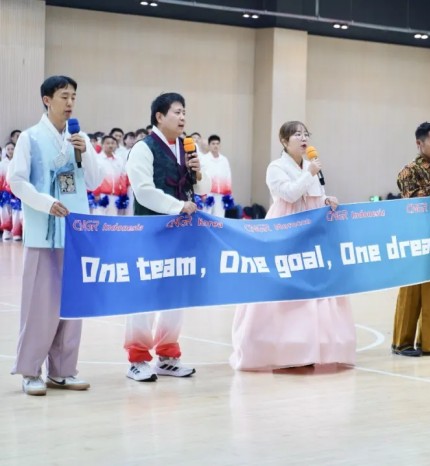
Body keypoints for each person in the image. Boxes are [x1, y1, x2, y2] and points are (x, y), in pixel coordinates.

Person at [230, 121, 356, 371]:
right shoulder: (276, 167)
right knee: (284, 285)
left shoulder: (311, 166)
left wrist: (326, 199)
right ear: (284, 141)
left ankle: (310, 348)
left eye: (306, 134)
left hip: (311, 233)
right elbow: (289, 194)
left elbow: (314, 195)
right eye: (297, 134)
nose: (303, 138)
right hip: (285, 230)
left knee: (314, 287)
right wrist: (309, 174)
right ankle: (282, 349)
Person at [7, 75, 102, 395]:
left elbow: (94, 181)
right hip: (43, 233)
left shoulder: (79, 138)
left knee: (72, 305)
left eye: (73, 96)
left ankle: (63, 370)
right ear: (47, 100)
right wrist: (46, 203)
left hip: (75, 233)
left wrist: (86, 152)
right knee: (40, 306)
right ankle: (30, 371)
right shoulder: (30, 138)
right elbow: (17, 182)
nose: (70, 102)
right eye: (64, 96)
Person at [124, 92, 211, 382]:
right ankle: (137, 359)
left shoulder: (187, 148)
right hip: (150, 231)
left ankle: (168, 355)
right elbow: (143, 191)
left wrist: (198, 172)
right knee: (145, 293)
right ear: (159, 117)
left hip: (181, 233)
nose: (183, 117)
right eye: (177, 112)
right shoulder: (143, 148)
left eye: (184, 112)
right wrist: (177, 206)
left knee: (176, 293)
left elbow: (203, 189)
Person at [391, 121, 430, 357]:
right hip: (414, 237)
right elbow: (413, 201)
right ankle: (402, 342)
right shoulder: (408, 171)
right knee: (411, 290)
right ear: (419, 143)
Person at [201, 134, 233, 218]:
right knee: (207, 216)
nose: (215, 146)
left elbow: (228, 177)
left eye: (217, 144)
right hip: (208, 193)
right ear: (209, 145)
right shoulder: (204, 159)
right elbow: (201, 177)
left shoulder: (224, 160)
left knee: (219, 217)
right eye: (213, 144)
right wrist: (202, 194)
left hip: (221, 194)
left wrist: (228, 193)